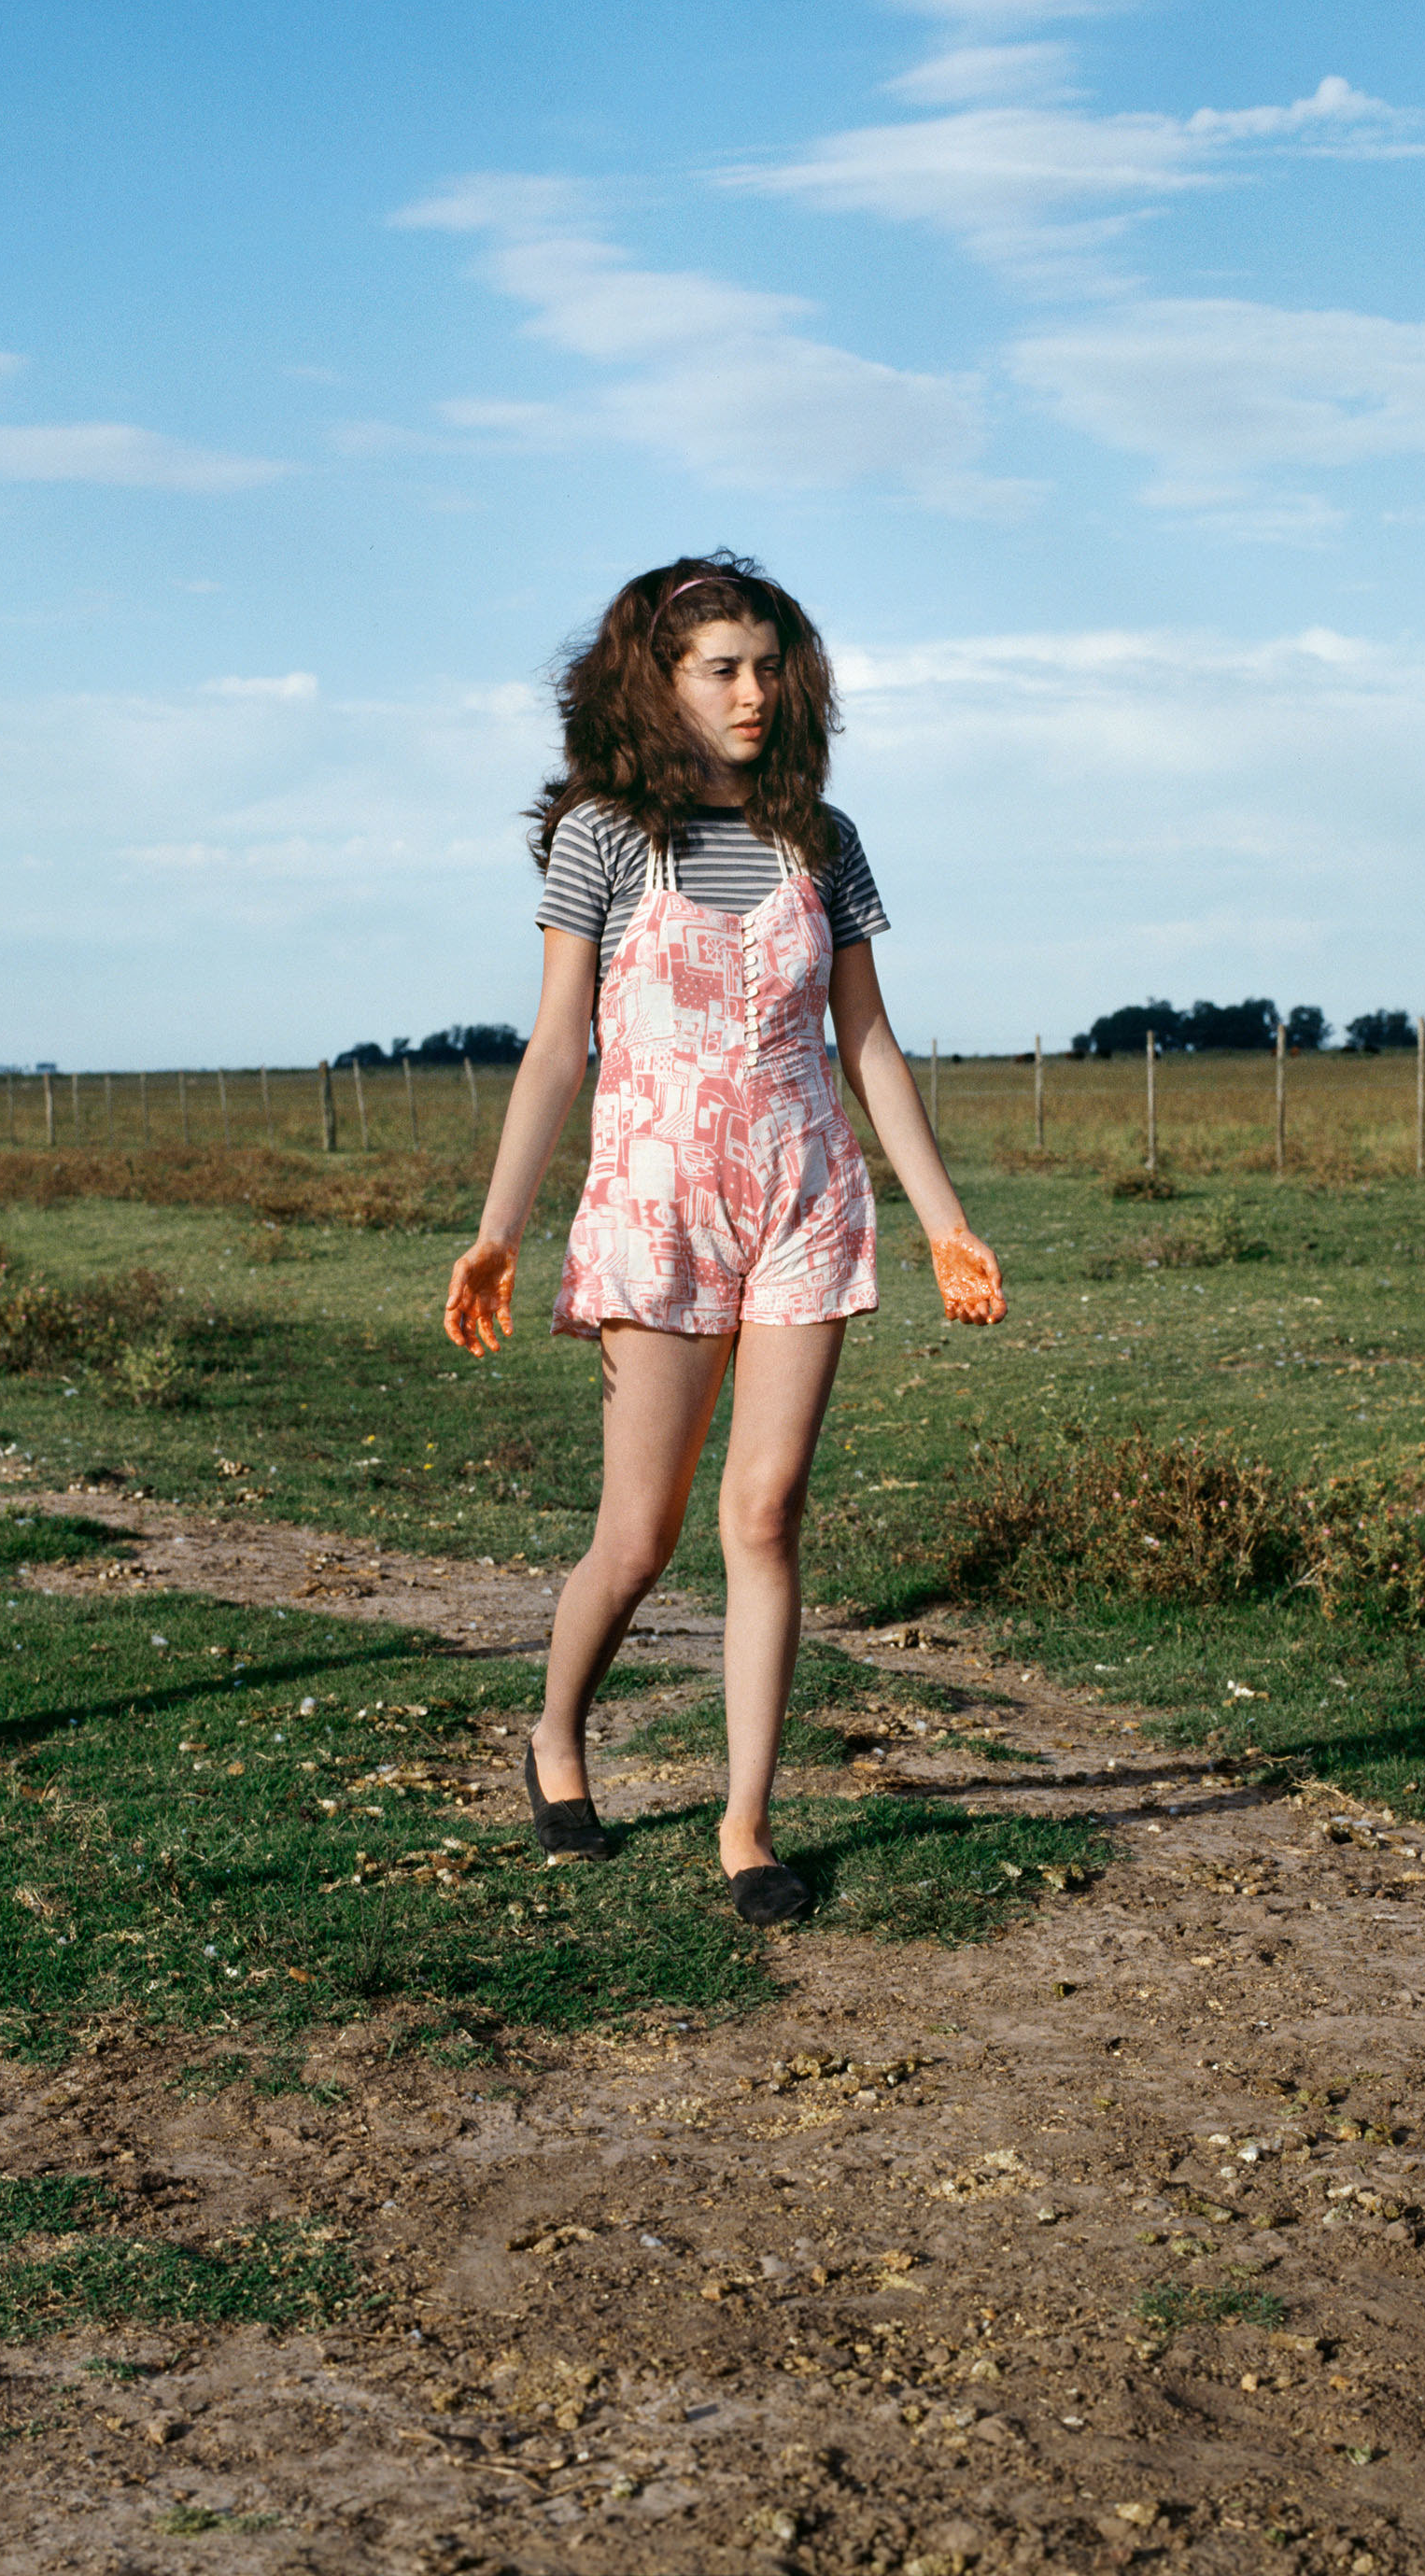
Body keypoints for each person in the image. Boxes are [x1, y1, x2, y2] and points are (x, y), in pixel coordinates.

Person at [443, 554, 1006, 1928]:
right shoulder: (600, 839)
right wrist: (496, 1231)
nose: (755, 693)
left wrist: (944, 1222)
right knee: (636, 1542)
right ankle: (557, 1734)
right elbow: (554, 1052)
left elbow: (864, 1040)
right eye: (723, 669)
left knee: (764, 1514)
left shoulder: (824, 835)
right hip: (657, 1206)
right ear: (659, 681)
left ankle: (747, 1823)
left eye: (769, 667)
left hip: (805, 1197)